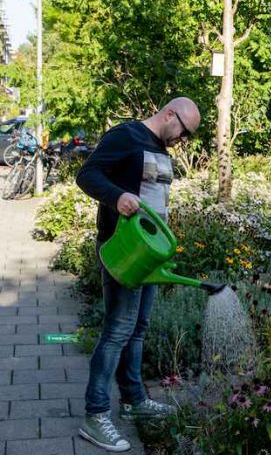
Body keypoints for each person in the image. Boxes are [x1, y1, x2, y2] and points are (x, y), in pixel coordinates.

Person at [75, 97, 201, 452]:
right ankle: (95, 415)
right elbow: (86, 175)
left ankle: (133, 400)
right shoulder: (126, 136)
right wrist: (117, 197)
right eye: (184, 132)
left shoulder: (160, 147)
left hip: (149, 254)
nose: (183, 140)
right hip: (123, 249)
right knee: (117, 330)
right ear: (169, 115)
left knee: (138, 327)